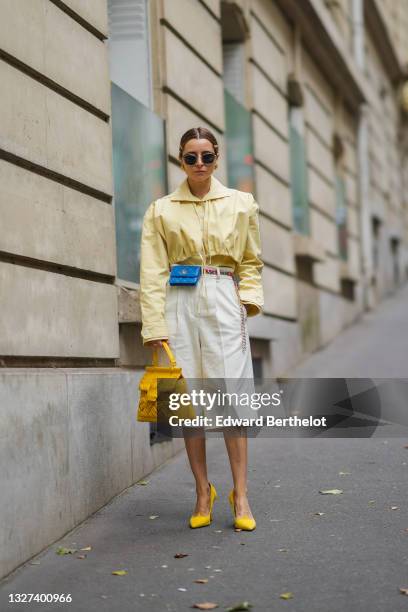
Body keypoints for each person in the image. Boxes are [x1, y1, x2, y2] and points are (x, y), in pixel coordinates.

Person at [139, 126, 264, 531]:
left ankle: (240, 495)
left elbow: (251, 261)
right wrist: (155, 325)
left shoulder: (242, 204)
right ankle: (201, 491)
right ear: (180, 159)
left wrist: (245, 302)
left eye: (206, 156)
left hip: (223, 296)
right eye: (190, 156)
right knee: (187, 400)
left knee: (232, 397)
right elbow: (152, 272)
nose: (198, 164)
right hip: (178, 300)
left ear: (217, 158)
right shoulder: (160, 210)